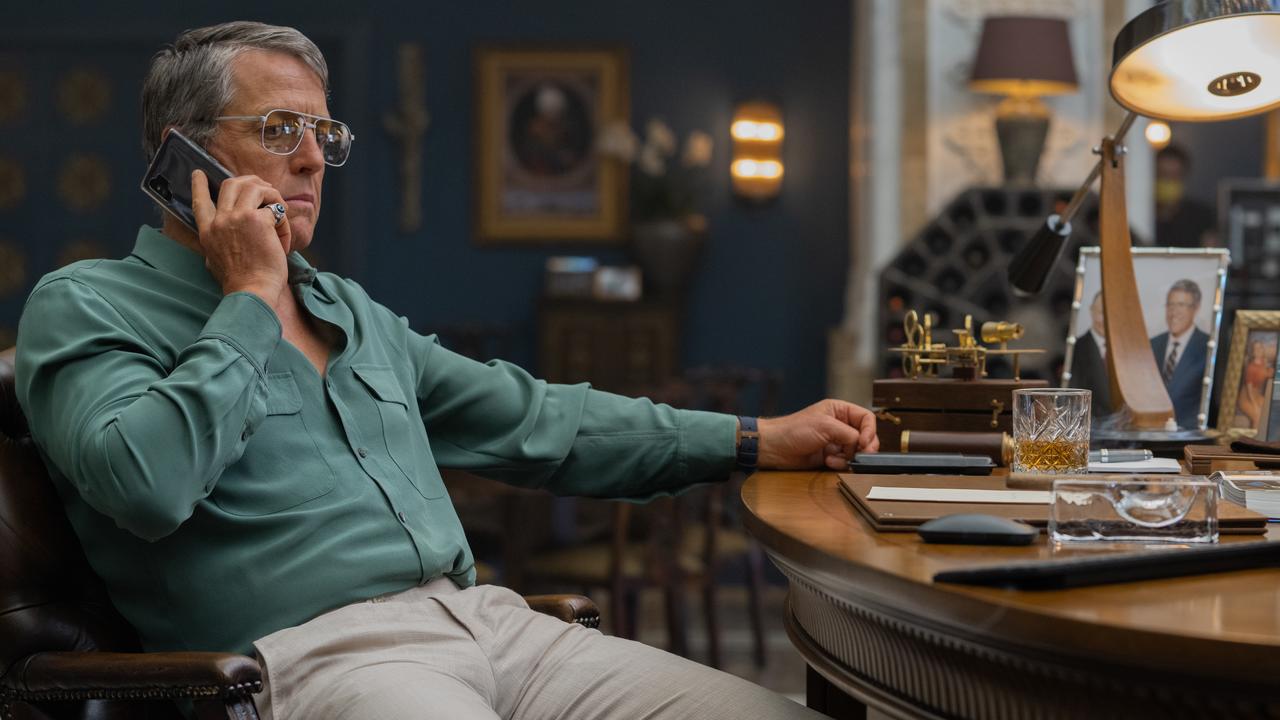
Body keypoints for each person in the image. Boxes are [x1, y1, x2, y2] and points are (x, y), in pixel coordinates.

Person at [13, 22, 875, 720]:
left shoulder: (348, 310)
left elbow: (538, 419)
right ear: (183, 158)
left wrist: (754, 439)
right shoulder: (85, 304)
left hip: (487, 623)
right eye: (279, 130)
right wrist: (248, 296)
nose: (312, 159)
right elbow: (146, 485)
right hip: (316, 661)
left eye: (324, 134)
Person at [1150, 278, 1210, 429]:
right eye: (1170, 305)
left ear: (1196, 308)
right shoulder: (1151, 345)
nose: (1173, 312)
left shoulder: (1208, 347)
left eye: (1181, 305)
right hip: (1150, 432)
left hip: (1190, 435)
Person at [1153, 144, 1217, 248]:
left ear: (1184, 177)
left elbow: (1210, 251)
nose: (1168, 181)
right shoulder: (1141, 215)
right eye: (1163, 175)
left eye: (1174, 176)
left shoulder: (1201, 216)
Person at [1068, 291, 1113, 417]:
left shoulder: (1126, 350)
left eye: (1111, 313)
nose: (1105, 320)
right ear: (1091, 311)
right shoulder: (1075, 349)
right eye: (1101, 313)